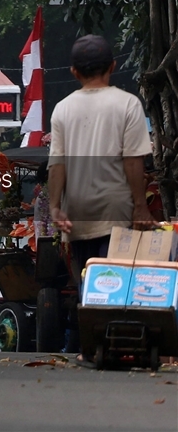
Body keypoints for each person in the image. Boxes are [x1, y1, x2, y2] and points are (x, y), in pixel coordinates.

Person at [48, 35, 154, 284]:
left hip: (77, 215)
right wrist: (140, 206)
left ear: (74, 72)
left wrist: (54, 207)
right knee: (114, 286)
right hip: (115, 213)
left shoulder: (62, 108)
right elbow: (132, 161)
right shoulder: (127, 104)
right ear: (112, 67)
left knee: (88, 287)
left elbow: (57, 165)